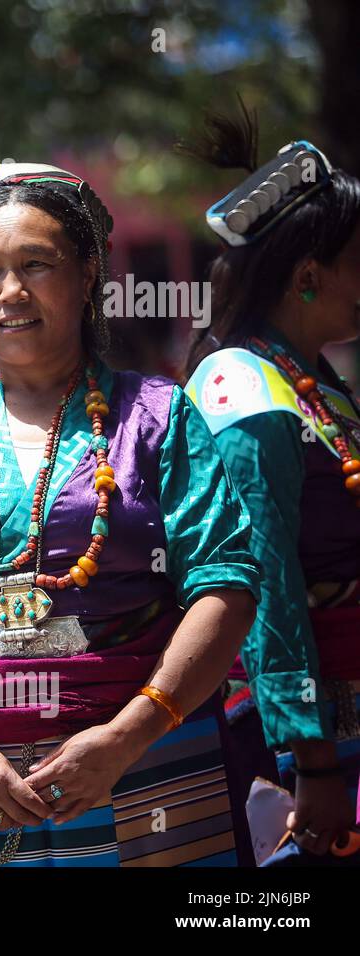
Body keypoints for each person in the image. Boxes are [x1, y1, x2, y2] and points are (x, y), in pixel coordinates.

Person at [0, 161, 260, 866]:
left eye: (37, 264)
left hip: (145, 782)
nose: (11, 291)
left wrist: (125, 738)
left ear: (88, 275)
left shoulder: (155, 418)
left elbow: (226, 586)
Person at [184, 119, 360, 861]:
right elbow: (268, 586)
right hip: (302, 751)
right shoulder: (245, 390)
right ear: (308, 274)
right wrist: (308, 759)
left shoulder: (315, 382)